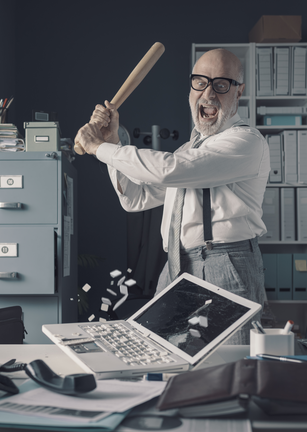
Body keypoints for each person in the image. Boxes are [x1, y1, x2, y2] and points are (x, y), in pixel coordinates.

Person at [74, 48, 270, 345]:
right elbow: (136, 199)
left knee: (230, 361)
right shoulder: (188, 151)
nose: (209, 94)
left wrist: (98, 149)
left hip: (225, 261)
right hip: (177, 263)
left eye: (221, 85)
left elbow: (168, 170)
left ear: (238, 91)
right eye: (200, 83)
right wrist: (111, 139)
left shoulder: (246, 141)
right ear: (191, 88)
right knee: (161, 353)